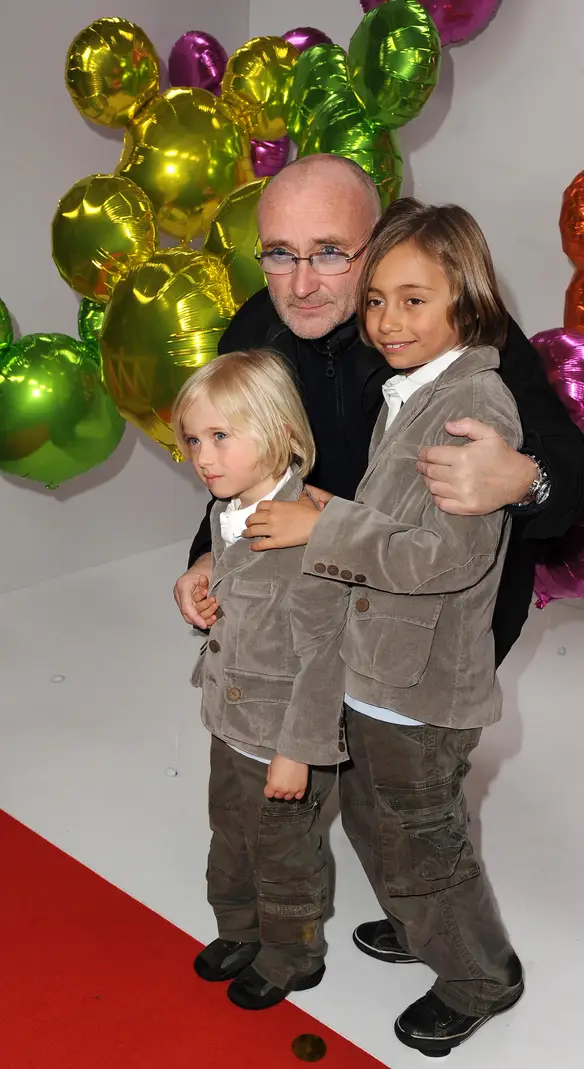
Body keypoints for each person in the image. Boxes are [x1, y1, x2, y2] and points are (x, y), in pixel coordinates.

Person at [246, 198, 527, 1056]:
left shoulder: (470, 404)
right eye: (377, 300)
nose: (388, 320)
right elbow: (399, 516)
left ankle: (479, 971)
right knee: (376, 817)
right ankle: (423, 922)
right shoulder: (415, 391)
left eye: (415, 300)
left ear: (465, 302)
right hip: (381, 671)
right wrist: (340, 506)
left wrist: (322, 529)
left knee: (419, 834)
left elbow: (445, 558)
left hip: (424, 684)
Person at [175, 154, 584, 674]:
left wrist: (524, 480)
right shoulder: (253, 332)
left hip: (431, 645)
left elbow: (573, 472)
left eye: (330, 253)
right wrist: (209, 554)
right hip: (303, 625)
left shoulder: (455, 323)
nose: (301, 285)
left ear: (377, 244)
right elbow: (241, 466)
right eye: (281, 254)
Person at [171, 349, 349, 1011]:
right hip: (232, 721)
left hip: (284, 737)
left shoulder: (308, 529)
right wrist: (203, 580)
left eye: (221, 436)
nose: (203, 455)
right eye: (193, 438)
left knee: (287, 857)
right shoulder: (231, 511)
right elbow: (238, 581)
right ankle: (239, 930)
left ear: (278, 432)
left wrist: (297, 750)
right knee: (230, 839)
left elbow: (326, 655)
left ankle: (293, 953)